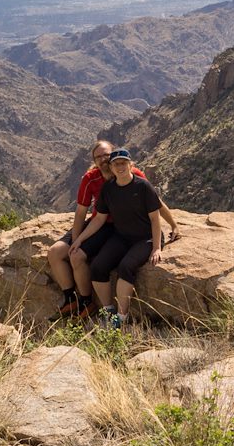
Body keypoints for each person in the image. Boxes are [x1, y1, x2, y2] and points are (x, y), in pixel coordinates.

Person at [48, 140, 178, 319]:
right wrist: (77, 240)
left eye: (106, 155)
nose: (103, 159)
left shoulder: (137, 178)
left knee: (117, 264)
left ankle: (110, 313)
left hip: (126, 231)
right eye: (98, 157)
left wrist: (173, 225)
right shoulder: (98, 182)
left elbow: (155, 205)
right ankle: (76, 300)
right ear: (95, 161)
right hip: (107, 228)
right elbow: (85, 214)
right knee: (65, 255)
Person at [70, 148, 166, 328]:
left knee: (125, 266)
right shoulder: (109, 189)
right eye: (116, 164)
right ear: (111, 168)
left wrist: (157, 247)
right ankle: (108, 311)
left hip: (145, 238)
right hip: (122, 236)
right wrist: (79, 239)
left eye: (123, 163)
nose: (120, 167)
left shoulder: (143, 186)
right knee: (98, 267)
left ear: (131, 165)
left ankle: (121, 318)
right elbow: (99, 218)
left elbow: (155, 218)